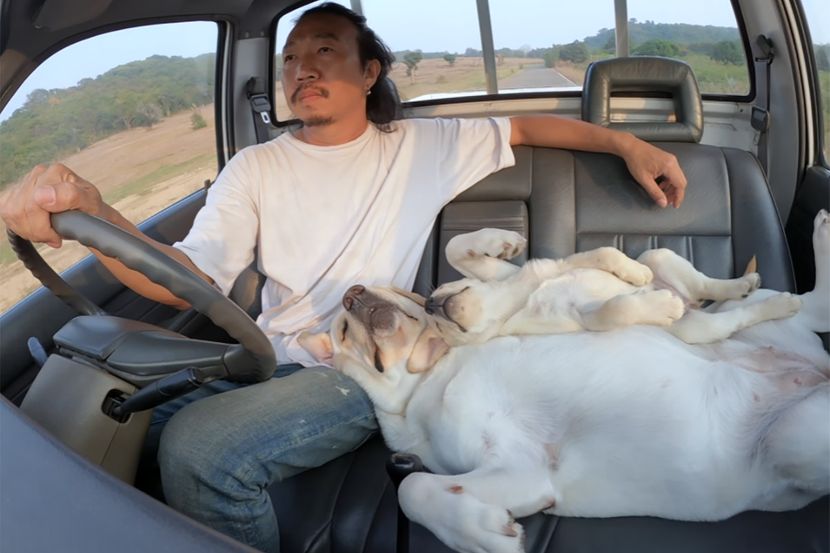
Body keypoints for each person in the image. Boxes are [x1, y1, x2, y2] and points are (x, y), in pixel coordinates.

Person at [0, 3, 687, 552]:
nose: (302, 68)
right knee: (103, 418)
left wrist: (628, 143)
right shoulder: (254, 167)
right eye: (290, 58)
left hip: (361, 365)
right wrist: (95, 213)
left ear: (369, 72)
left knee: (199, 450)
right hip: (262, 359)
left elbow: (528, 129)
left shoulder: (421, 145)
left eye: (324, 50)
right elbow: (191, 274)